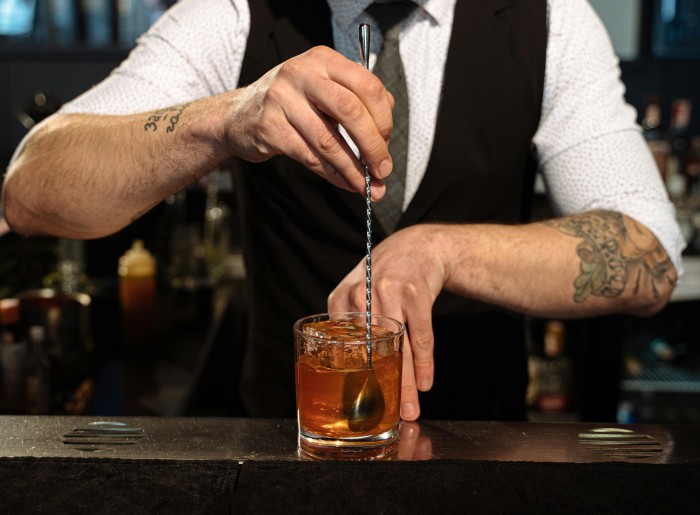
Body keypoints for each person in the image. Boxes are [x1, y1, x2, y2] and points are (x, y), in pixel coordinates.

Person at [2, 0, 684, 421]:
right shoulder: (234, 14)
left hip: (481, 461)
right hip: (286, 458)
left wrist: (442, 252)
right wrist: (225, 118)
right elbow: (29, 190)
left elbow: (650, 253)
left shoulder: (550, 21)